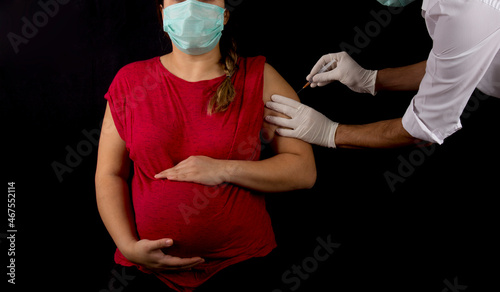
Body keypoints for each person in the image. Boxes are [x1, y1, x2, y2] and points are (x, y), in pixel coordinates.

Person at [95, 0, 316, 291]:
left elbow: (303, 170)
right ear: (163, 13)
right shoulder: (130, 82)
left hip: (243, 267)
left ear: (224, 15)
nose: (191, 5)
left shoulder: (261, 78)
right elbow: (109, 174)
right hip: (144, 274)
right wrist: (127, 245)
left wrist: (223, 170)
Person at [265, 0, 500, 149]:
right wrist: (371, 79)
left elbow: (421, 128)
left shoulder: (468, 10)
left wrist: (330, 132)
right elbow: (450, 65)